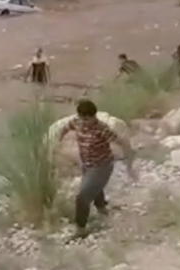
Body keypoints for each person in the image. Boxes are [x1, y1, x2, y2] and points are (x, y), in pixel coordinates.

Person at [56, 99, 137, 241]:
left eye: (89, 119)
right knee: (94, 186)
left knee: (82, 197)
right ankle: (102, 208)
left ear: (94, 116)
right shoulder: (76, 122)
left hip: (102, 166)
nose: (86, 122)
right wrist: (58, 141)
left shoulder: (101, 129)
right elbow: (65, 128)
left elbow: (122, 142)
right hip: (87, 164)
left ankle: (80, 228)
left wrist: (129, 165)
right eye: (83, 119)